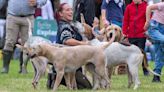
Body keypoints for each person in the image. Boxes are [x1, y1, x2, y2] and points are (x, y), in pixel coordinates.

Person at [47, 3, 92, 89]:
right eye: (67, 10)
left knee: (87, 86)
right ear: (60, 13)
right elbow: (67, 40)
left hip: (73, 64)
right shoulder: (64, 26)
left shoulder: (72, 24)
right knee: (86, 87)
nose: (71, 12)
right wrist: (84, 44)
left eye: (71, 10)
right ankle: (55, 78)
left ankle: (55, 78)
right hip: (66, 65)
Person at [0, 0, 47, 73]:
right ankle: (5, 68)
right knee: (9, 42)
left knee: (27, 45)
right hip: (12, 16)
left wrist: (37, 3)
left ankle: (23, 68)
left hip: (28, 17)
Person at [122, 0, 149, 75]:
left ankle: (145, 69)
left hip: (141, 35)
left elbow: (148, 19)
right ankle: (131, 71)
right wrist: (124, 32)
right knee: (131, 54)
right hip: (131, 35)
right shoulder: (129, 7)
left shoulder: (146, 7)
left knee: (141, 52)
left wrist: (147, 31)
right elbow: (126, 20)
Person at [144, 1, 164, 82]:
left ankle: (156, 76)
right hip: (154, 27)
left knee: (159, 53)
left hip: (162, 29)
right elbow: (149, 7)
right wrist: (147, 21)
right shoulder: (162, 4)